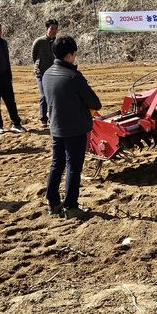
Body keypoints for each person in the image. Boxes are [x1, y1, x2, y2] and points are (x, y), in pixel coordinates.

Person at [42, 36, 102, 219]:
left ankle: (52, 201)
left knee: (56, 164)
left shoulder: (47, 74)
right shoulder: (73, 77)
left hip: (56, 127)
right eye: (74, 53)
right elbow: (95, 103)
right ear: (69, 55)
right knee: (73, 167)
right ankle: (71, 206)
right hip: (75, 129)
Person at [32, 19, 59, 128]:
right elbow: (34, 55)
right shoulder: (39, 41)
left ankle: (52, 117)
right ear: (47, 29)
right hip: (41, 72)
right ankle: (43, 118)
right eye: (52, 28)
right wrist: (38, 66)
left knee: (54, 95)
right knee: (43, 95)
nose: (54, 31)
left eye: (56, 29)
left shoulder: (58, 42)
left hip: (54, 73)